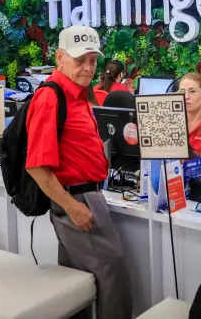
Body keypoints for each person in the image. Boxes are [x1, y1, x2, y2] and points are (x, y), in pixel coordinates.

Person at [25, 26, 132, 319]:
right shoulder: (51, 97)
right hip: (78, 198)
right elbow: (36, 165)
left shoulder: (78, 95)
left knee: (76, 281)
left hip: (84, 195)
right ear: (60, 58)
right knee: (112, 276)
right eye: (79, 59)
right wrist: (73, 206)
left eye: (93, 61)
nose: (88, 67)